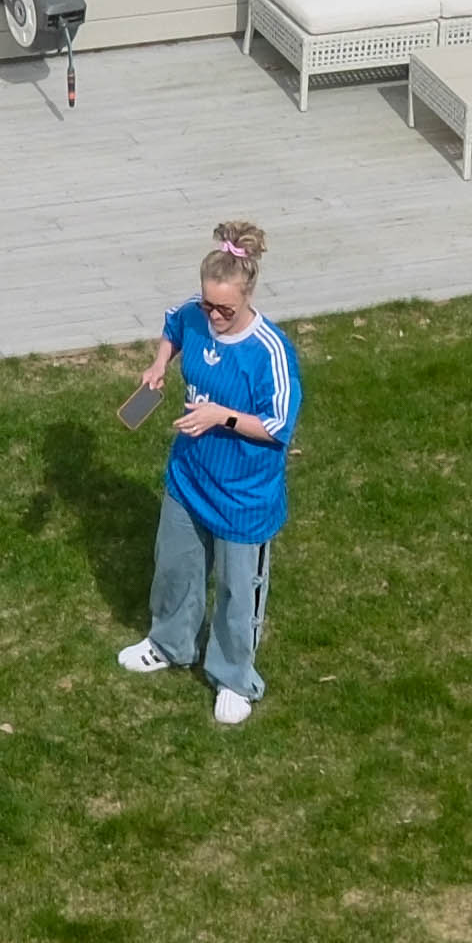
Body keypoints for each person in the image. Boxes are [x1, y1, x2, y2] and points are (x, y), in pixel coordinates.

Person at [118, 219, 297, 724]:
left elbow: (279, 425)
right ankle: (170, 643)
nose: (214, 316)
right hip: (189, 479)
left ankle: (235, 677)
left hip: (244, 496)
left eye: (226, 309)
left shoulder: (271, 353)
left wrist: (223, 416)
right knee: (175, 569)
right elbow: (174, 326)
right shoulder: (196, 316)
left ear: (248, 294)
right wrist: (159, 365)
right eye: (208, 304)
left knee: (239, 594)